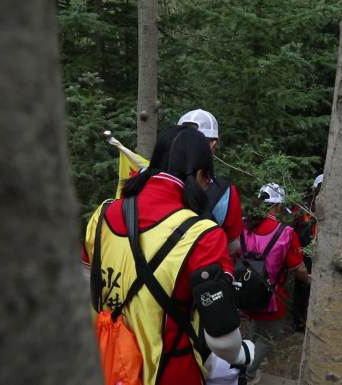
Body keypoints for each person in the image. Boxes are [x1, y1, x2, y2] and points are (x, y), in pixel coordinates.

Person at [82, 128, 253, 385]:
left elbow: (87, 283)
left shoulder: (103, 214)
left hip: (106, 364)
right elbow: (222, 339)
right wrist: (243, 353)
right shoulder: (203, 236)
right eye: (208, 179)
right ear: (198, 174)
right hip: (170, 373)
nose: (208, 186)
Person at [239, 183, 311, 384]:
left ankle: (244, 363)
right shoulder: (285, 233)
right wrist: (310, 281)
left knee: (255, 328)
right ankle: (247, 374)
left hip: (244, 291)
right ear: (278, 207)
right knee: (269, 335)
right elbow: (298, 269)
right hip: (271, 296)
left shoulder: (244, 225)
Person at [177, 109, 244, 256]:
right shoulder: (226, 193)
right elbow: (233, 245)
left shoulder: (151, 179)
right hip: (201, 272)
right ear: (213, 145)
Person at [291, 174, 322, 331]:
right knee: (303, 285)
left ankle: (309, 319)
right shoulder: (304, 206)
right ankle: (299, 320)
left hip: (319, 251)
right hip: (304, 251)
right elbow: (294, 226)